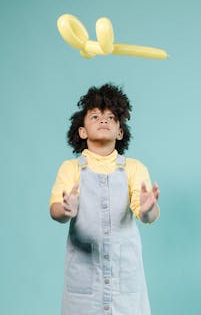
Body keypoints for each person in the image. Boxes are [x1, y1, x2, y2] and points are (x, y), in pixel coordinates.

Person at [49, 83, 160, 315]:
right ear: (82, 131)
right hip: (84, 277)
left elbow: (146, 214)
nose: (104, 120)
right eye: (96, 116)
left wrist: (149, 209)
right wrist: (66, 209)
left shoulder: (134, 168)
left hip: (124, 278)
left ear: (120, 132)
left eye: (111, 117)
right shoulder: (70, 169)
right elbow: (56, 211)